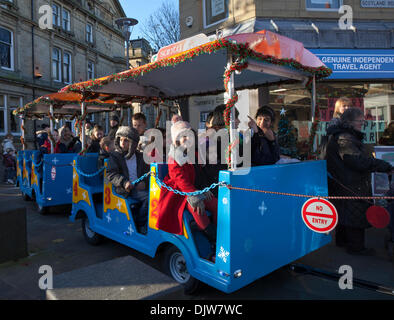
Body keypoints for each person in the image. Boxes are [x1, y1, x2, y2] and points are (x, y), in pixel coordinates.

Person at [324, 107, 392, 256]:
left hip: (344, 181)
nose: (362, 124)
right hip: (351, 183)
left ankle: (343, 241)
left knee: (344, 211)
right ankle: (356, 247)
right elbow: (356, 161)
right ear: (349, 122)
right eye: (360, 121)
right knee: (354, 213)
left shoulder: (342, 135)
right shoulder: (345, 137)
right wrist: (382, 165)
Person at [156, 121, 217, 253]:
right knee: (197, 209)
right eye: (183, 136)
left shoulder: (194, 154)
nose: (187, 138)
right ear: (176, 139)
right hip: (180, 194)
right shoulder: (174, 158)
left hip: (195, 189)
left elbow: (200, 174)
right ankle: (210, 235)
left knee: (216, 204)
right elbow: (181, 180)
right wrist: (195, 196)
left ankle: (221, 232)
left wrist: (205, 189)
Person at [106, 126, 150, 234]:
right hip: (125, 189)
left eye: (126, 140)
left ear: (133, 143)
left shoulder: (140, 156)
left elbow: (148, 172)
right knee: (149, 198)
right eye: (120, 140)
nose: (122, 143)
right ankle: (140, 223)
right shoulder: (115, 156)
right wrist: (124, 182)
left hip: (138, 188)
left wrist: (144, 182)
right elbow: (111, 173)